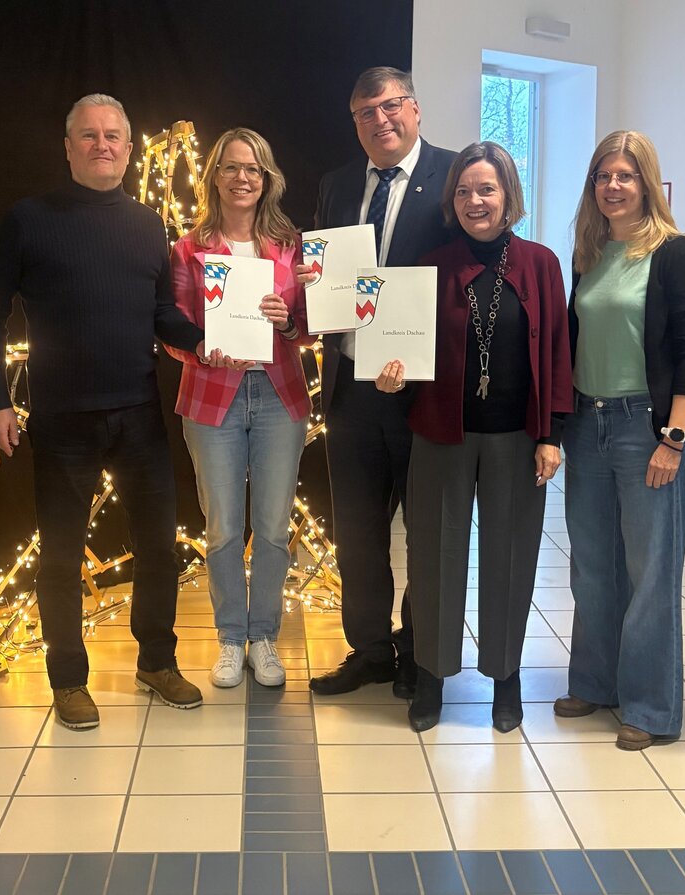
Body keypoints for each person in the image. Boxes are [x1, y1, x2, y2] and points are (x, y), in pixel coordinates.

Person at [0, 94, 206, 730]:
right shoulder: (29, 219)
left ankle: (157, 662)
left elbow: (162, 313)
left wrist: (204, 339)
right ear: (68, 146)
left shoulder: (145, 224)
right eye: (88, 135)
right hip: (61, 420)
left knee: (159, 547)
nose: (102, 144)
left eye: (113, 136)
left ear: (128, 148)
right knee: (60, 554)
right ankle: (68, 680)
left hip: (138, 412)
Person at [378, 142, 570, 732]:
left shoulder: (541, 264)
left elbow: (558, 351)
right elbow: (402, 346)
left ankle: (506, 678)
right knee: (434, 555)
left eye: (486, 189)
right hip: (442, 434)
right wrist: (392, 374)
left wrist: (551, 435)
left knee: (512, 557)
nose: (474, 201)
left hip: (518, 437)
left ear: (508, 195)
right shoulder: (431, 267)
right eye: (463, 191)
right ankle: (431, 675)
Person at [302, 66, 456, 698]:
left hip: (425, 389)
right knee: (358, 532)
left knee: (426, 533)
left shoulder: (453, 176)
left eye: (391, 106)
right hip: (351, 390)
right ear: (356, 122)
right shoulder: (337, 186)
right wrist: (313, 290)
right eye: (366, 112)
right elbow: (324, 279)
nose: (381, 120)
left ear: (415, 109)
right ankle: (369, 649)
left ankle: (419, 653)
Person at [556, 130, 685, 750]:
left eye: (625, 175)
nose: (612, 186)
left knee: (650, 574)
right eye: (603, 176)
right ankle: (595, 683)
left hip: (646, 426)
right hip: (586, 425)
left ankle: (649, 706)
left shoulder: (673, 254)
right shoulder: (589, 253)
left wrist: (672, 437)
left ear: (647, 182)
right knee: (593, 565)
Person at [167, 128, 314, 688]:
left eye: (252, 168)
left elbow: (310, 325)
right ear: (215, 177)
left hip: (279, 396)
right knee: (225, 527)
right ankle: (231, 636)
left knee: (274, 528)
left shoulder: (291, 244)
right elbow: (174, 328)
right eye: (230, 168)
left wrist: (290, 322)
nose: (242, 178)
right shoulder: (187, 248)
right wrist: (202, 345)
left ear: (267, 177)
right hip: (211, 396)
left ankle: (264, 636)